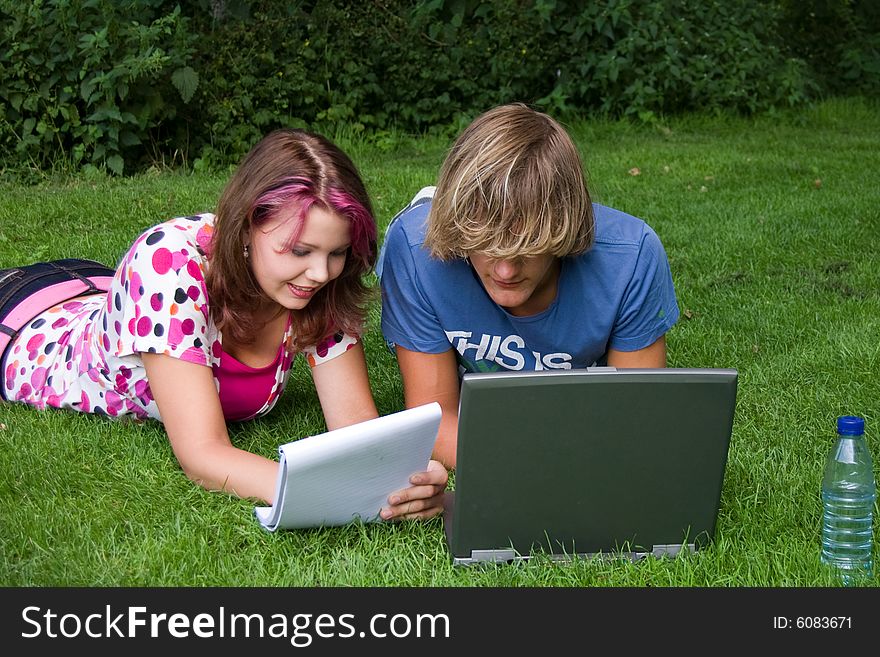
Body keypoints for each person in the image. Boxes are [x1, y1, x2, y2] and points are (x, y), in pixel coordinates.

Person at [1, 128, 446, 519]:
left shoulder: (320, 284)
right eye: (299, 251)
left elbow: (356, 430)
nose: (321, 273)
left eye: (336, 252)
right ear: (248, 226)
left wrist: (402, 483)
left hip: (89, 289)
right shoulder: (168, 265)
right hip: (27, 329)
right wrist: (328, 493)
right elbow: (203, 455)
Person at [378, 103, 680, 468]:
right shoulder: (416, 249)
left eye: (529, 249)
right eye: (486, 247)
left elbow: (635, 419)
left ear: (562, 231)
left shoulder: (632, 256)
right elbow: (437, 420)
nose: (505, 271)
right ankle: (440, 205)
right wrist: (543, 465)